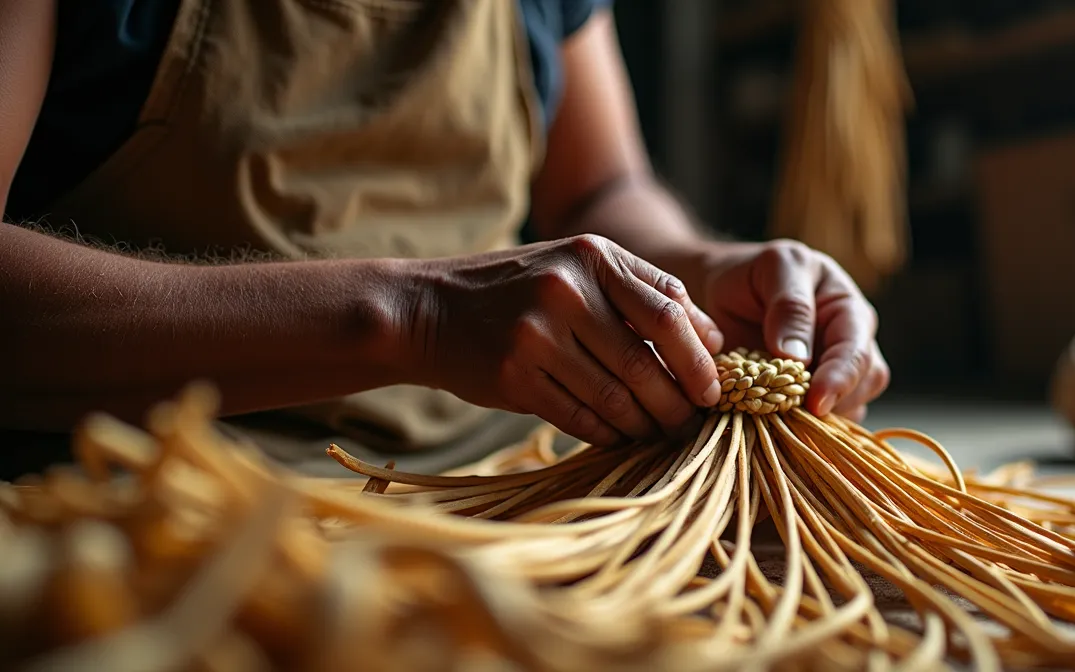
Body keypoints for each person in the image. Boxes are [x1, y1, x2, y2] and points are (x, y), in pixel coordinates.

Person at [0, 0, 890, 477]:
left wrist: (703, 270)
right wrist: (413, 315)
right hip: (162, 483)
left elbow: (600, 186)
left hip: (506, 473)